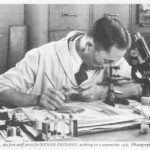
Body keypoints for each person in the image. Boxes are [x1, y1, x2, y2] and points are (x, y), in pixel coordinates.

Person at [0, 16, 142, 110]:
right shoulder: (41, 56)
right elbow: (2, 89)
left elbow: (139, 86)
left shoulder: (112, 56)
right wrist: (37, 100)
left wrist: (104, 92)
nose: (109, 66)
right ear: (88, 45)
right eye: (106, 61)